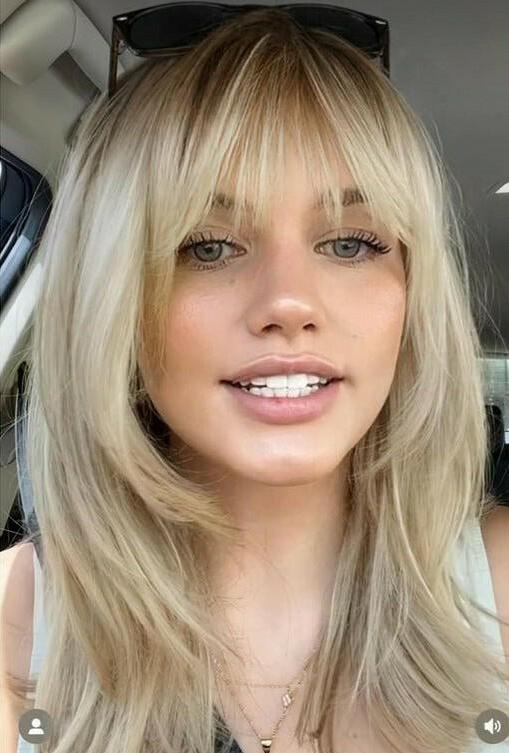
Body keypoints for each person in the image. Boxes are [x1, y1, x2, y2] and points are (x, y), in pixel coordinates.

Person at [1, 7, 508, 753]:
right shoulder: (16, 621)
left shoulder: (498, 583)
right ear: (114, 302)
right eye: (206, 246)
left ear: (412, 296)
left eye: (350, 242)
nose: (289, 303)